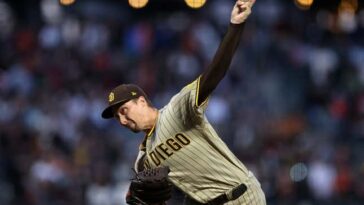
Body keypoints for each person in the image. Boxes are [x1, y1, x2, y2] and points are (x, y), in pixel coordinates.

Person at [101, 0, 266, 204]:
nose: (123, 119)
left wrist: (235, 27)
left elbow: (213, 75)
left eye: (124, 110)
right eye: (118, 117)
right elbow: (182, 194)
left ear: (142, 101)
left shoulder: (176, 110)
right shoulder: (143, 162)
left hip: (241, 196)